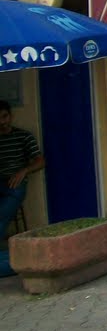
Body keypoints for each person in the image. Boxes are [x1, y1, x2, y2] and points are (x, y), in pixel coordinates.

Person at [0, 100, 45, 237]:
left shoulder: (23, 136)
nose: (2, 122)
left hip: (14, 185)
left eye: (4, 116)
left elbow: (41, 161)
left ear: (11, 116)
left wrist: (23, 170)